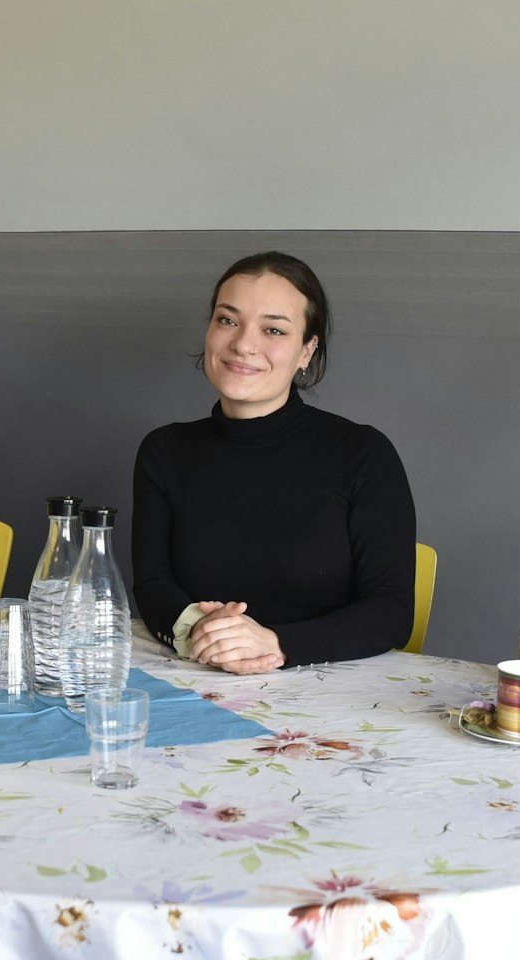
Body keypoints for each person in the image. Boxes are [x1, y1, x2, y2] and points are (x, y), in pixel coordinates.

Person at [131, 251, 416, 673]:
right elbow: (154, 586)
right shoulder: (164, 450)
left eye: (274, 330)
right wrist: (203, 631)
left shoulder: (363, 452)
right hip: (197, 673)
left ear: (307, 350)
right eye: (227, 320)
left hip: (329, 689)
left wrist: (273, 644)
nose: (243, 344)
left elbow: (391, 613)